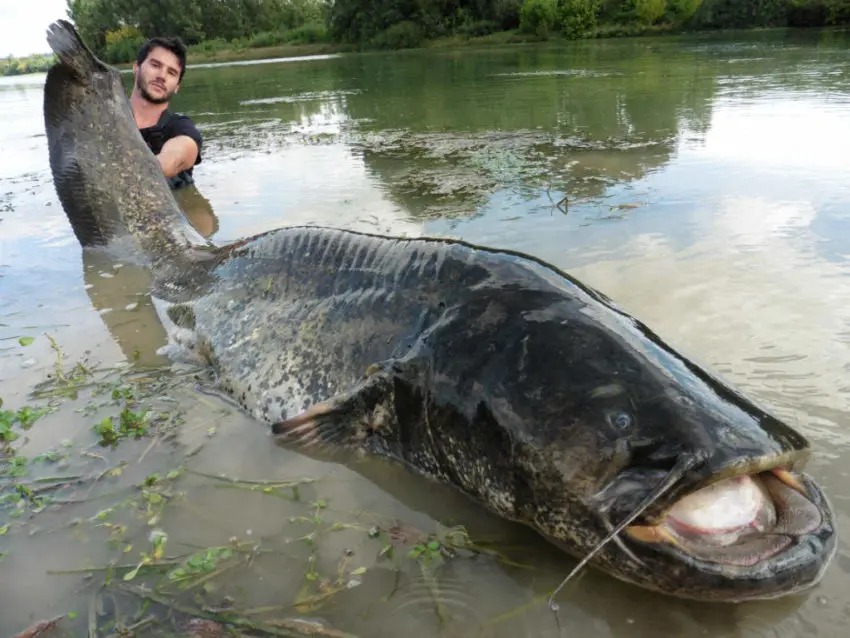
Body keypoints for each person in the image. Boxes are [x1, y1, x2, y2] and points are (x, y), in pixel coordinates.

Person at [130, 36, 203, 190]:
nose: (162, 76)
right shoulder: (105, 120)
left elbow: (181, 151)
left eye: (171, 73)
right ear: (136, 67)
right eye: (155, 65)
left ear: (177, 86)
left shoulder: (181, 128)